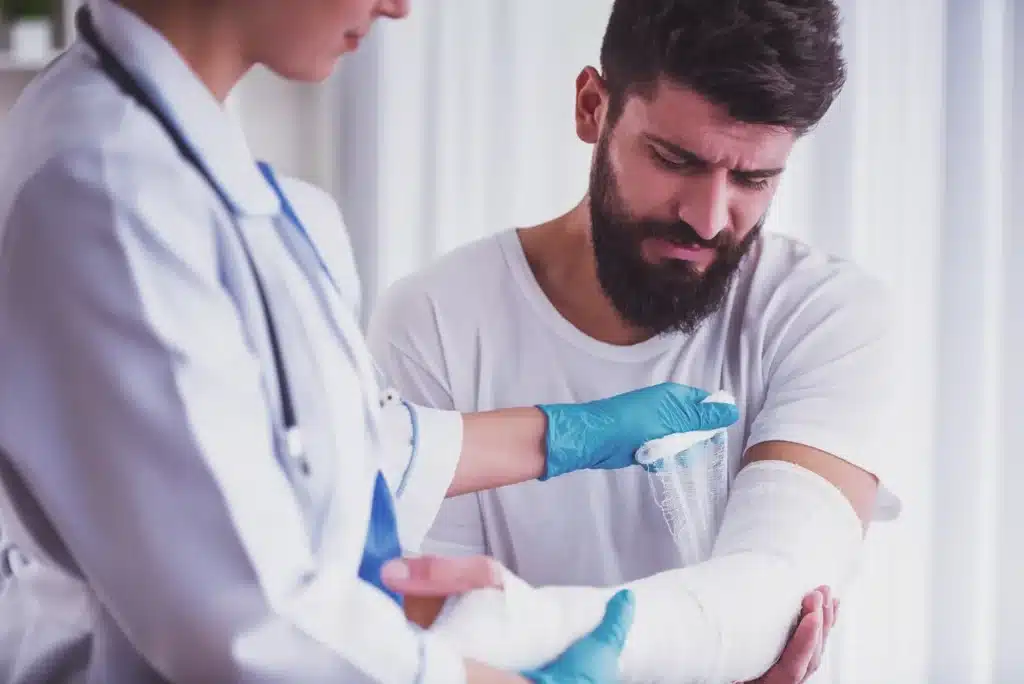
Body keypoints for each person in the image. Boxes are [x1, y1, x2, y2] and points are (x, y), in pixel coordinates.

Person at [0, 1, 743, 683]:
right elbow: (244, 622)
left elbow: (314, 450)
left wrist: (570, 435)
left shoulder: (189, 153)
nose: (398, 5)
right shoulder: (105, 186)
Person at [367, 0, 901, 681]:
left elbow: (771, 594)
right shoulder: (435, 318)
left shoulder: (824, 312)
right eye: (674, 159)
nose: (708, 219)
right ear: (593, 107)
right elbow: (440, 633)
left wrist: (530, 624)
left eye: (753, 178)